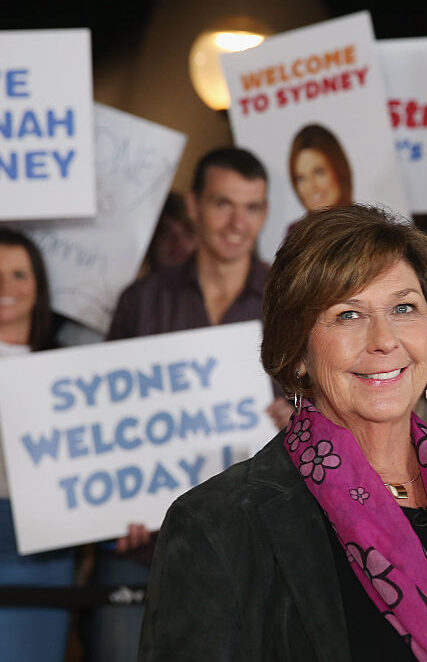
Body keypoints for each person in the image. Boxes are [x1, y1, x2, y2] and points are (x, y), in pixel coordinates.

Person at [138, 205, 427, 661]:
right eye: (348, 315)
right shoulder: (217, 524)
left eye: (404, 308)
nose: (384, 340)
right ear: (297, 350)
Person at [96, 147, 288, 662]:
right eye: (223, 204)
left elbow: (327, 407)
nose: (237, 223)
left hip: (256, 547)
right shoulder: (142, 300)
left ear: (266, 213)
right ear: (194, 205)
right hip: (146, 547)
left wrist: (300, 421)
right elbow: (104, 421)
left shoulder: (290, 301)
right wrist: (112, 504)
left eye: (252, 207)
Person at [0, 230, 74, 662]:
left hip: (40, 555)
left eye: (19, 275)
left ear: (38, 286)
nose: (5, 287)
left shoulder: (71, 370)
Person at [289, 123, 353, 212]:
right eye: (301, 178)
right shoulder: (296, 223)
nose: (311, 187)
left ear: (339, 169)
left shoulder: (368, 220)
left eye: (319, 172)